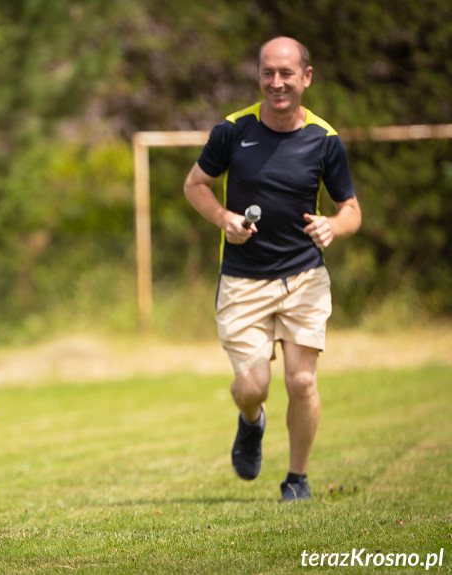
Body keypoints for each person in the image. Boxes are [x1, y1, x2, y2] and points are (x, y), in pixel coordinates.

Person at [183, 37, 362, 501]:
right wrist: (224, 219)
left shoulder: (325, 140)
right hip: (243, 280)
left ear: (306, 76)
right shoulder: (232, 130)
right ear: (259, 76)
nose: (276, 82)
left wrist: (333, 227)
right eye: (268, 73)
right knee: (252, 386)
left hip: (304, 275)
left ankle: (297, 480)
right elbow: (196, 184)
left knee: (302, 380)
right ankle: (250, 420)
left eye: (286, 73)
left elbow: (351, 209)